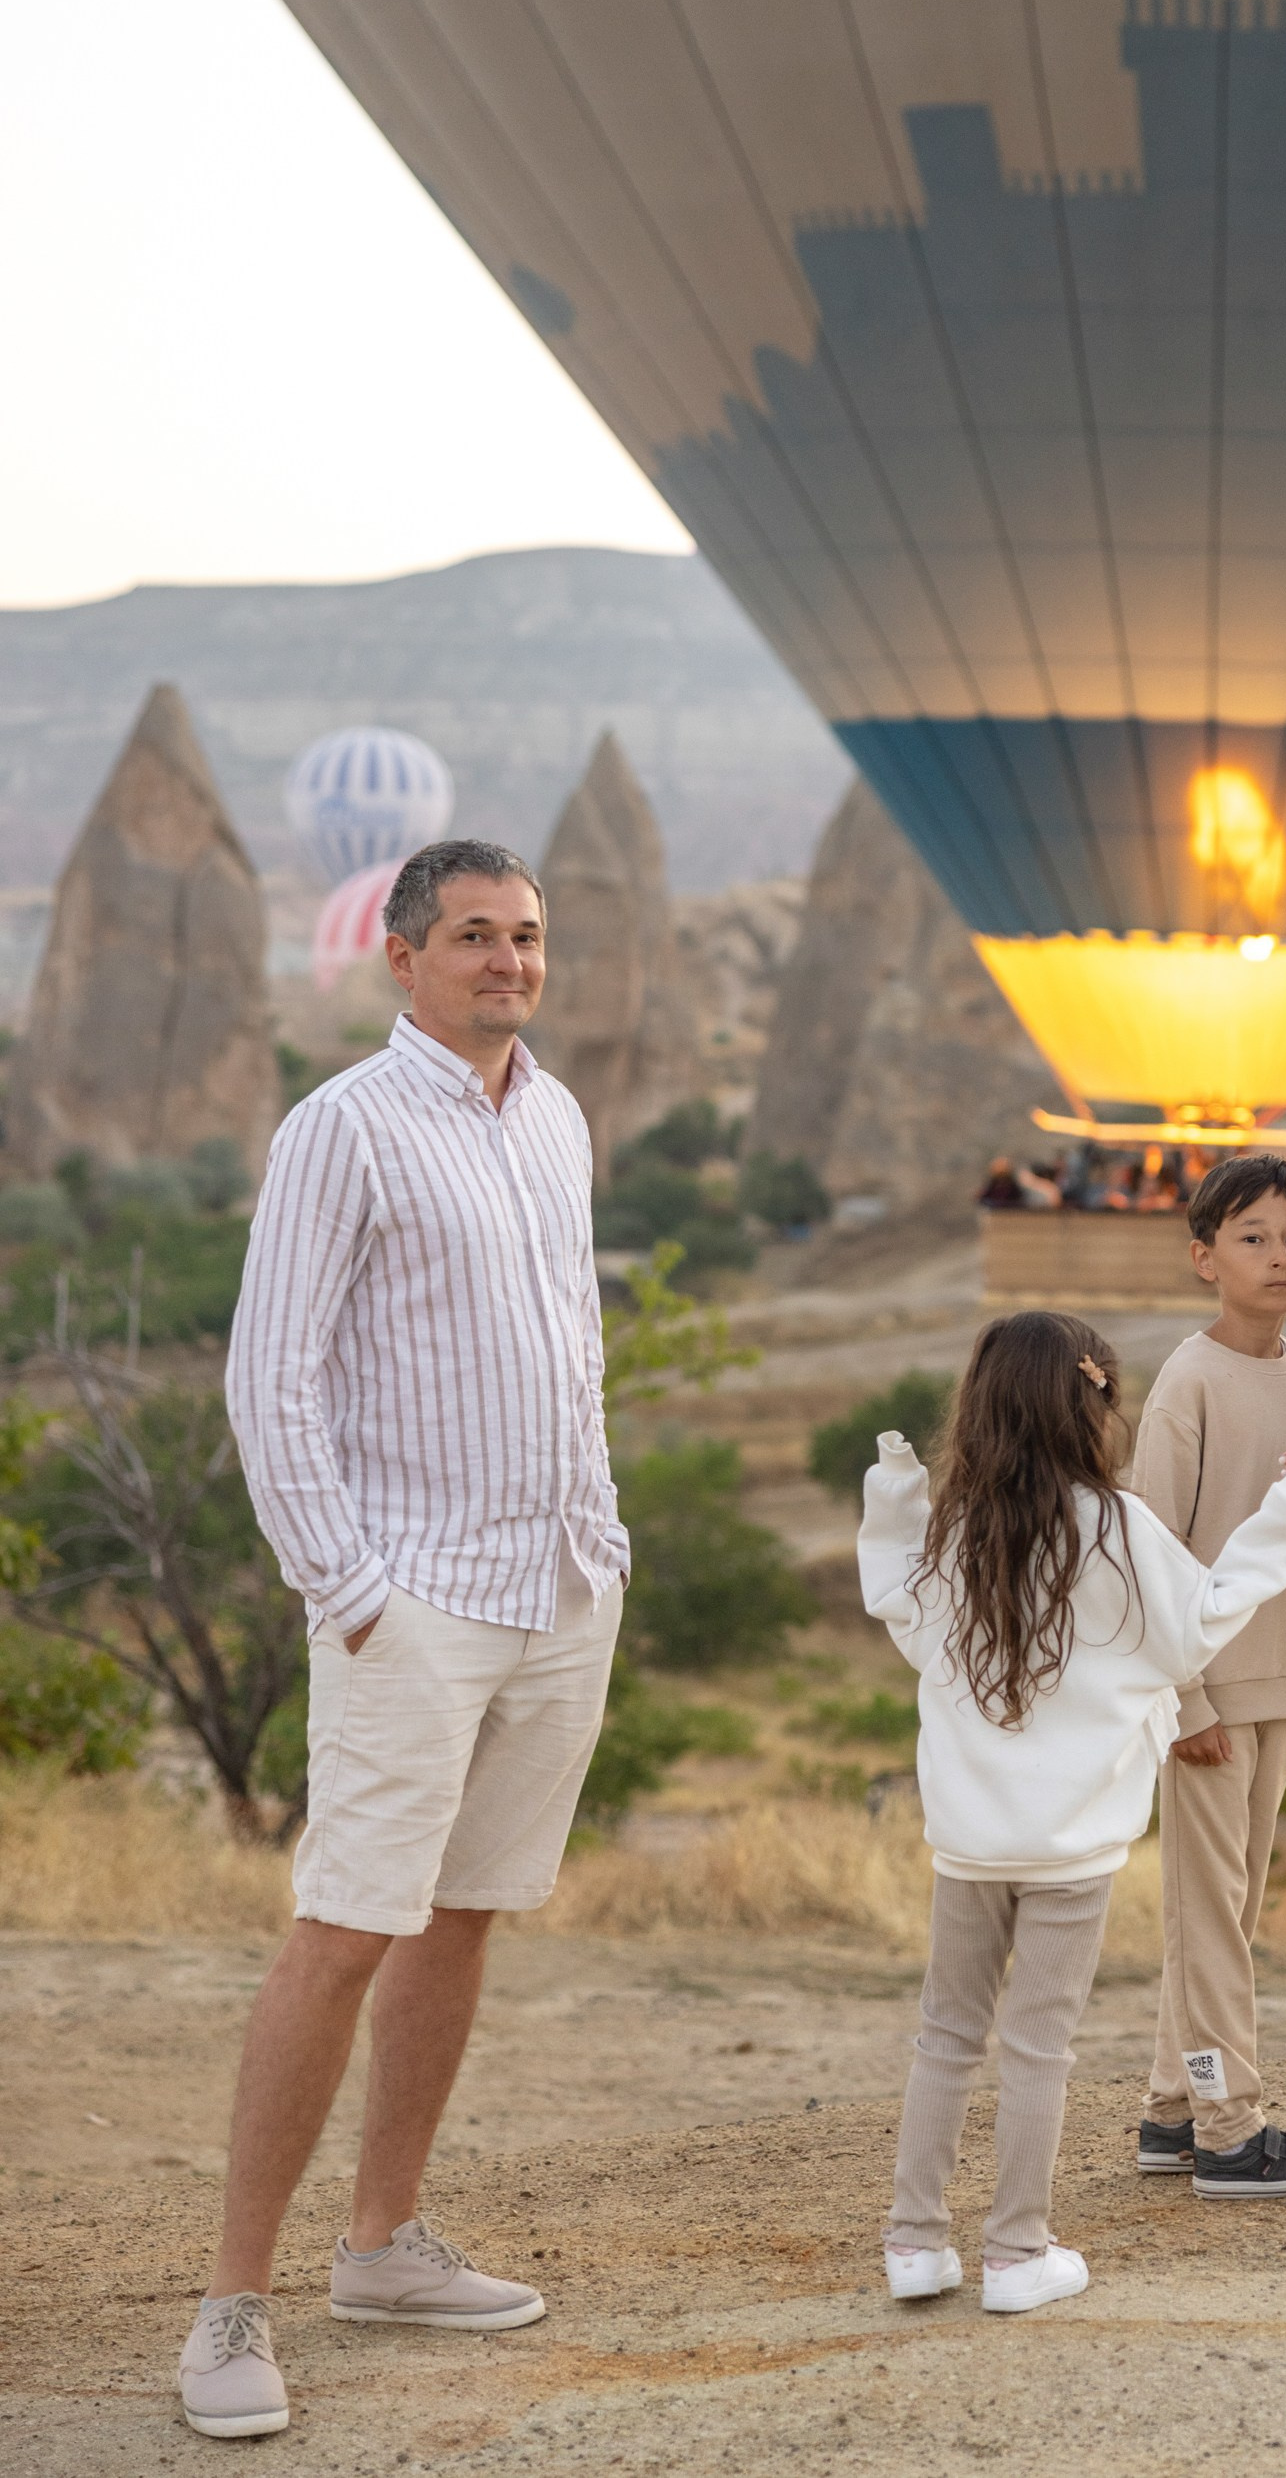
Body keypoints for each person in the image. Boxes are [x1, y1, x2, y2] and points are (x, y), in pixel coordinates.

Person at [179, 841, 627, 2443]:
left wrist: (608, 1538)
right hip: (412, 1598)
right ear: (401, 957)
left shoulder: (557, 1115)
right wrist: (346, 1587)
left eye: (526, 937)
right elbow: (268, 1379)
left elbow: (567, 1341)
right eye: (473, 938)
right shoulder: (343, 1130)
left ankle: (382, 2246)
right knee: (348, 1922)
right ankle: (234, 2303)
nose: (507, 962)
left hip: (560, 1582)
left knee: (463, 1915)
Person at [860, 1310, 1286, 2315]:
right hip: (1071, 1850)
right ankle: (1015, 2253)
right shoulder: (1117, 1529)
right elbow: (1201, 1622)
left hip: (967, 1846)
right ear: (1094, 1403)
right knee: (1037, 2048)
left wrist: (894, 1494)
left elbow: (902, 1612)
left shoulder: (953, 1535)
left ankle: (913, 2243)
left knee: (944, 2037)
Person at [1129, 1154, 1286, 2197]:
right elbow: (1150, 1551)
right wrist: (1184, 1697)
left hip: (1281, 1687)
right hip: (1206, 1693)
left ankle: (1170, 2112)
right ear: (1203, 1258)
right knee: (1208, 1911)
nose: (1280, 1257)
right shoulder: (1187, 1382)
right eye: (1253, 1237)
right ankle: (1231, 2130)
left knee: (1233, 1904)